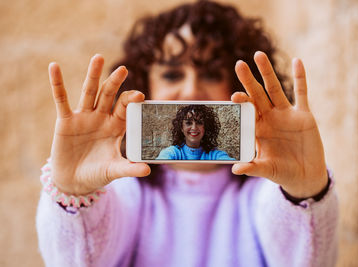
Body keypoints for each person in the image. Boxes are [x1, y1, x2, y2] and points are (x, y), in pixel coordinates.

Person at [36, 1, 338, 266]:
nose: (192, 89)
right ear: (145, 86)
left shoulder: (264, 189)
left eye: (210, 73)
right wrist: (74, 193)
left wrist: (304, 193)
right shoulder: (126, 190)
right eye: (171, 74)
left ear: (237, 88)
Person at [156, 104, 236, 160]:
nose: (194, 128)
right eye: (188, 123)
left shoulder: (215, 155)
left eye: (199, 123)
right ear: (181, 128)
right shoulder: (173, 152)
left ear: (206, 127)